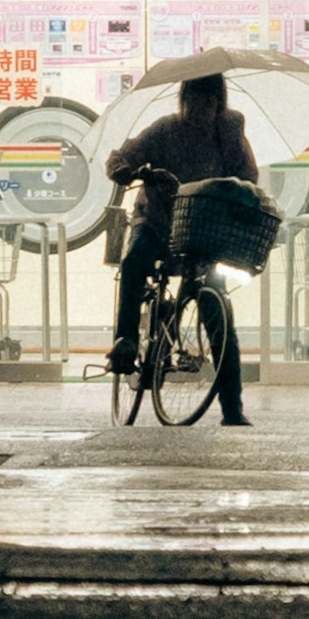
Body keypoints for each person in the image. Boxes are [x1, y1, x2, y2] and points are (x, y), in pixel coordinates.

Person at [106, 69, 256, 426]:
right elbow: (118, 158)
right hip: (155, 220)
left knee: (218, 315)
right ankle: (126, 340)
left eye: (207, 101)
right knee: (135, 261)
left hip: (201, 230)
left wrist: (239, 193)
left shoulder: (230, 131)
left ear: (219, 103)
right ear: (182, 100)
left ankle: (232, 410)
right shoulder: (164, 129)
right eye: (191, 100)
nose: (197, 109)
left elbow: (249, 175)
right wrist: (129, 171)